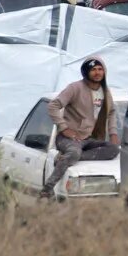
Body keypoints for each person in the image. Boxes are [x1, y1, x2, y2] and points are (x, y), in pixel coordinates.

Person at [43, 56, 119, 198]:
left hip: (90, 139)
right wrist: (64, 128)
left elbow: (112, 112)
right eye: (93, 70)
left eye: (100, 69)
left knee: (113, 149)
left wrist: (113, 133)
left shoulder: (105, 91)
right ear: (86, 72)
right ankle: (47, 188)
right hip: (70, 138)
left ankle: (66, 158)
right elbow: (53, 106)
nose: (97, 73)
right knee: (74, 152)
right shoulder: (74, 88)